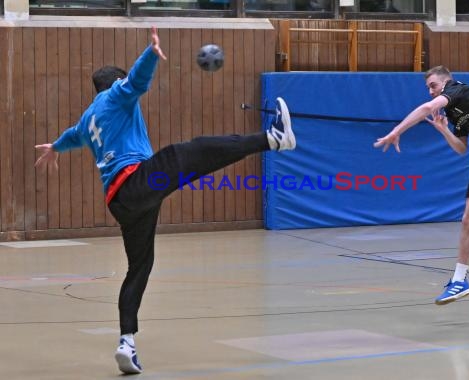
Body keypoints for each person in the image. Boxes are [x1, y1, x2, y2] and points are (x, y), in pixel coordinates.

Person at [34, 27, 296, 374]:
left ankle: (126, 342)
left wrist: (55, 146)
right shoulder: (116, 96)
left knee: (138, 268)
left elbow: (73, 136)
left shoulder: (88, 118)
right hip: (139, 181)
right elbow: (136, 83)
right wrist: (150, 54)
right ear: (114, 84)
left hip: (120, 202)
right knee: (198, 150)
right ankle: (274, 138)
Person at [373, 65, 469, 305]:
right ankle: (460, 280)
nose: (430, 92)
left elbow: (427, 108)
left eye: (433, 86)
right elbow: (461, 148)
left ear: (446, 82)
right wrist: (443, 130)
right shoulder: (454, 112)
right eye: (428, 88)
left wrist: (396, 131)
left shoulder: (458, 91)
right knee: (468, 218)